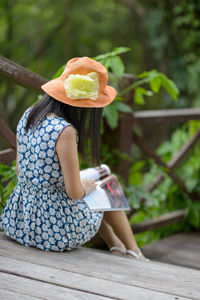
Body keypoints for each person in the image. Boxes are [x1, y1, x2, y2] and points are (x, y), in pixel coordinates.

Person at [0, 56, 149, 260]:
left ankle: (117, 245)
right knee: (107, 185)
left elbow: (20, 170)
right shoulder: (65, 131)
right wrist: (86, 187)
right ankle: (135, 253)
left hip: (21, 222)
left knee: (100, 176)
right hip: (56, 231)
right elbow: (74, 193)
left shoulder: (29, 114)